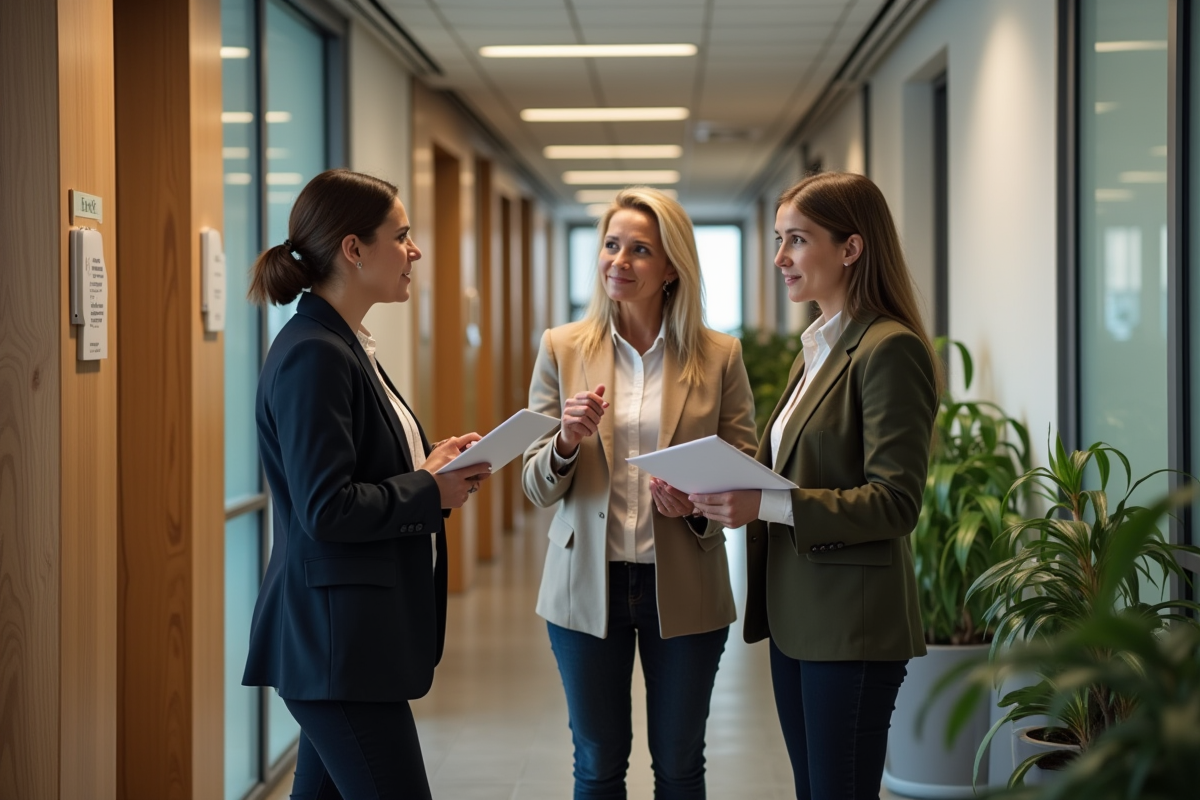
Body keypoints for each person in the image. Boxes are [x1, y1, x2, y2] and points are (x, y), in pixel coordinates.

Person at [687, 171, 940, 800]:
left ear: (850, 248)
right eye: (779, 240)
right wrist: (717, 492)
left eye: (796, 241)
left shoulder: (888, 349)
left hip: (851, 627)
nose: (779, 259)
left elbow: (896, 500)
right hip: (800, 618)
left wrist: (764, 502)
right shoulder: (817, 350)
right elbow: (798, 470)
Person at [241, 168, 490, 799]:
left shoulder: (344, 344)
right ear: (354, 249)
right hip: (335, 647)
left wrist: (433, 468)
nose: (415, 251)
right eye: (401, 235)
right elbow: (327, 508)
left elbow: (356, 480)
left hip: (348, 644)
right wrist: (430, 492)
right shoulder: (314, 354)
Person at [522, 187, 758, 800]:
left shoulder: (718, 355)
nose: (618, 262)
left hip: (682, 581)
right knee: (597, 761)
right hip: (585, 581)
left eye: (640, 250)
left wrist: (699, 508)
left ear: (672, 268)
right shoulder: (562, 347)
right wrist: (565, 443)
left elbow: (744, 466)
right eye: (610, 245)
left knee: (680, 762)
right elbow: (533, 483)